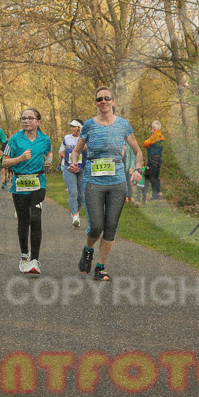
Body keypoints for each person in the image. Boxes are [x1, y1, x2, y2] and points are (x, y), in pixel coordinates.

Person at [69, 87, 143, 282]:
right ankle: (88, 249)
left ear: (114, 101)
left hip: (117, 182)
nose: (103, 101)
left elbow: (138, 151)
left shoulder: (124, 125)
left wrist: (138, 170)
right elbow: (76, 151)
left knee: (110, 227)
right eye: (99, 99)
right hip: (93, 181)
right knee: (96, 227)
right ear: (96, 103)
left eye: (107, 98)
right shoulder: (89, 126)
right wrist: (73, 161)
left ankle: (100, 267)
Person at [2, 107, 54, 274]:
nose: (26, 121)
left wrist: (49, 161)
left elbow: (49, 153)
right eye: (23, 118)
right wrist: (21, 158)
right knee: (23, 220)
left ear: (38, 122)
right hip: (19, 183)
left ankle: (35, 261)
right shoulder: (14, 140)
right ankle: (24, 255)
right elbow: (4, 162)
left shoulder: (45, 139)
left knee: (36, 218)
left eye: (30, 118)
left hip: (38, 182)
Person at [58, 119, 86, 228]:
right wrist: (61, 153)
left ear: (80, 128)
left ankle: (77, 212)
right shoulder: (67, 138)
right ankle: (74, 216)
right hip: (69, 167)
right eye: (71, 126)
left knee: (81, 194)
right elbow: (61, 149)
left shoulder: (86, 138)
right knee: (73, 191)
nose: (71, 128)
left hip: (82, 168)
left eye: (74, 126)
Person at [142, 120, 165, 200]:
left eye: (153, 127)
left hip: (153, 159)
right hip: (158, 158)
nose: (152, 128)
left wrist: (148, 145)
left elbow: (145, 143)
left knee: (152, 176)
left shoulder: (156, 135)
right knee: (155, 176)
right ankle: (159, 193)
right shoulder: (160, 136)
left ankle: (155, 195)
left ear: (154, 128)